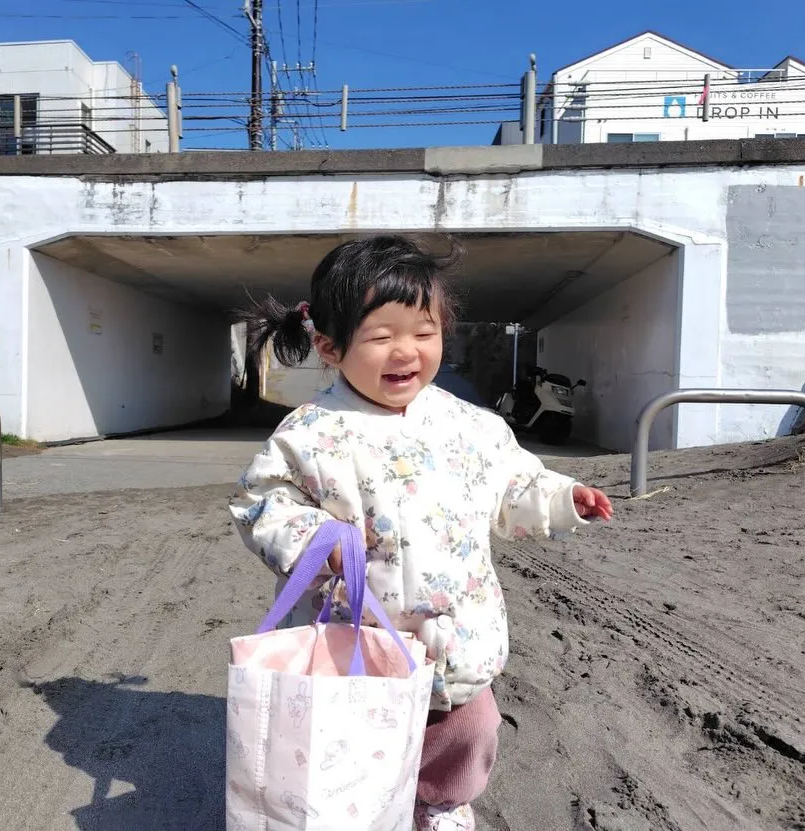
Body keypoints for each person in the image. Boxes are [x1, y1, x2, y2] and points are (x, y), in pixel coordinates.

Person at [228, 235, 613, 831]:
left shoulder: (471, 426)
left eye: (424, 332)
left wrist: (563, 500)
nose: (405, 352)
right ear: (330, 347)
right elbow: (264, 503)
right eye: (381, 337)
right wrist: (309, 536)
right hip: (356, 642)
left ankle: (438, 806)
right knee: (354, 744)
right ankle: (365, 809)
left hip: (457, 640)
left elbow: (513, 486)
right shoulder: (310, 433)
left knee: (466, 734)